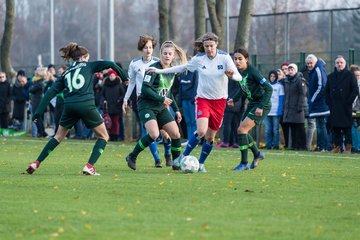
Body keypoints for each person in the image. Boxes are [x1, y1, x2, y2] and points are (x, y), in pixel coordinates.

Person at [25, 42, 128, 175]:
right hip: (86, 104)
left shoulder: (66, 72)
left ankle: (36, 162)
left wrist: (38, 112)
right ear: (84, 57)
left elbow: (50, 93)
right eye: (88, 58)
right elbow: (111, 64)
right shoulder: (89, 65)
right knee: (103, 136)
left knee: (57, 137)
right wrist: (125, 78)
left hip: (69, 106)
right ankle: (89, 166)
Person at [147, 32, 242, 172]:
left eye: (211, 45)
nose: (209, 48)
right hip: (203, 99)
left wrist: (233, 75)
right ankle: (182, 157)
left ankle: (201, 164)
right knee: (201, 131)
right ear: (203, 46)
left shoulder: (224, 57)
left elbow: (238, 76)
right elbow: (182, 68)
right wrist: (159, 71)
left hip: (220, 101)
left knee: (210, 137)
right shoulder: (199, 58)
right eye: (206, 46)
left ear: (216, 44)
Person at [125, 40, 187, 171]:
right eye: (164, 53)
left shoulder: (171, 71)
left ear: (173, 56)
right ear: (160, 54)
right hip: (146, 105)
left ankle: (176, 162)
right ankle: (132, 156)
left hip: (160, 106)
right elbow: (145, 89)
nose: (167, 56)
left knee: (175, 134)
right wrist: (162, 99)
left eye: (170, 54)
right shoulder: (152, 69)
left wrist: (176, 110)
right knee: (154, 134)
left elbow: (168, 92)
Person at [122, 34, 171, 167]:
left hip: (159, 100)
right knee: (150, 132)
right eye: (145, 47)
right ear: (141, 49)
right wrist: (125, 99)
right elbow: (131, 82)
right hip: (143, 101)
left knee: (166, 132)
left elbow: (167, 83)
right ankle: (157, 160)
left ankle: (167, 155)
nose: (148, 50)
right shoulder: (135, 64)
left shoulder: (158, 63)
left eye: (150, 47)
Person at [227, 48, 272, 170]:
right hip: (252, 104)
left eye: (240, 59)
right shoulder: (239, 73)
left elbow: (269, 89)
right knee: (242, 130)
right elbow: (243, 89)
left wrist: (261, 107)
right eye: (235, 59)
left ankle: (244, 163)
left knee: (242, 129)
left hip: (261, 104)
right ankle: (257, 154)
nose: (237, 61)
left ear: (246, 59)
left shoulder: (253, 72)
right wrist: (233, 99)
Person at [325, 55, 359, 154]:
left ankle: (348, 147)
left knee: (347, 127)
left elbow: (355, 90)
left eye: (341, 62)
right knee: (335, 127)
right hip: (334, 106)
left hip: (346, 106)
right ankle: (337, 146)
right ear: (335, 64)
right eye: (337, 63)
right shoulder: (331, 76)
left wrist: (348, 102)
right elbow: (326, 91)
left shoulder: (350, 75)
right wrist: (329, 103)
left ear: (345, 64)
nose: (339, 64)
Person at [306, 54, 330, 151]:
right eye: (308, 63)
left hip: (321, 103)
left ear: (315, 62)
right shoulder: (314, 70)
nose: (309, 65)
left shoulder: (318, 70)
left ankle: (324, 146)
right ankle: (321, 146)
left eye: (311, 63)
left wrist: (312, 99)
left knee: (321, 126)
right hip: (318, 103)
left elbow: (322, 86)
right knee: (320, 125)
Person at [283, 63, 307, 151]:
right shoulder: (287, 81)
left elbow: (302, 94)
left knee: (300, 127)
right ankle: (294, 145)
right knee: (292, 127)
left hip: (298, 108)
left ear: (296, 70)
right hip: (289, 108)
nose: (290, 71)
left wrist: (300, 107)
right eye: (289, 70)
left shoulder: (300, 80)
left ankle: (303, 146)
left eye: (292, 69)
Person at [100, 69, 125, 141]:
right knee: (108, 122)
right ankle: (110, 135)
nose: (112, 77)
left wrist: (119, 100)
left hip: (117, 106)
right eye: (110, 76)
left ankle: (116, 136)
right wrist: (104, 101)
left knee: (115, 122)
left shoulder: (119, 85)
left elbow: (123, 94)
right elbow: (102, 95)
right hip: (108, 107)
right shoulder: (105, 85)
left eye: (113, 75)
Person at [264, 70, 284, 150]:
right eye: (271, 76)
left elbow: (281, 99)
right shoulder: (267, 86)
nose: (272, 78)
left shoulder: (280, 86)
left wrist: (279, 110)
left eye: (274, 76)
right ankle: (268, 145)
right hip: (267, 112)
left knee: (275, 130)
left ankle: (276, 145)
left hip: (275, 112)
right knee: (268, 130)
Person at [351, 65, 360, 153]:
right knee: (353, 127)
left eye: (358, 75)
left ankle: (357, 146)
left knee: (356, 128)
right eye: (355, 76)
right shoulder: (351, 84)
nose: (357, 77)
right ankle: (354, 146)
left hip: (357, 111)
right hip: (352, 110)